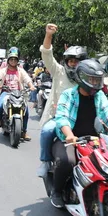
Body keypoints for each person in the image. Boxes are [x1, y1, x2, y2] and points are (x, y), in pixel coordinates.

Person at [50, 59, 108, 208]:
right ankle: (57, 191)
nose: (95, 83)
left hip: (94, 142)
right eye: (92, 79)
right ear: (81, 78)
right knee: (67, 161)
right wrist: (69, 135)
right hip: (70, 141)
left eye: (97, 80)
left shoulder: (100, 97)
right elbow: (61, 118)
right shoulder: (68, 95)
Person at [36, 23, 88, 177]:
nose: (73, 64)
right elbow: (46, 54)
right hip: (59, 117)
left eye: (76, 61)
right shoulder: (59, 71)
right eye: (70, 61)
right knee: (46, 131)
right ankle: (45, 161)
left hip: (83, 117)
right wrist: (49, 35)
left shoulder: (87, 77)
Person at [0, 47, 36, 141]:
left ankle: (24, 132)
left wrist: (31, 86)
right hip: (6, 92)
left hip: (18, 93)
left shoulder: (20, 70)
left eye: (15, 59)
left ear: (17, 61)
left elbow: (27, 79)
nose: (13, 61)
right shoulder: (3, 70)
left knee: (26, 110)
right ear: (8, 60)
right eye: (11, 59)